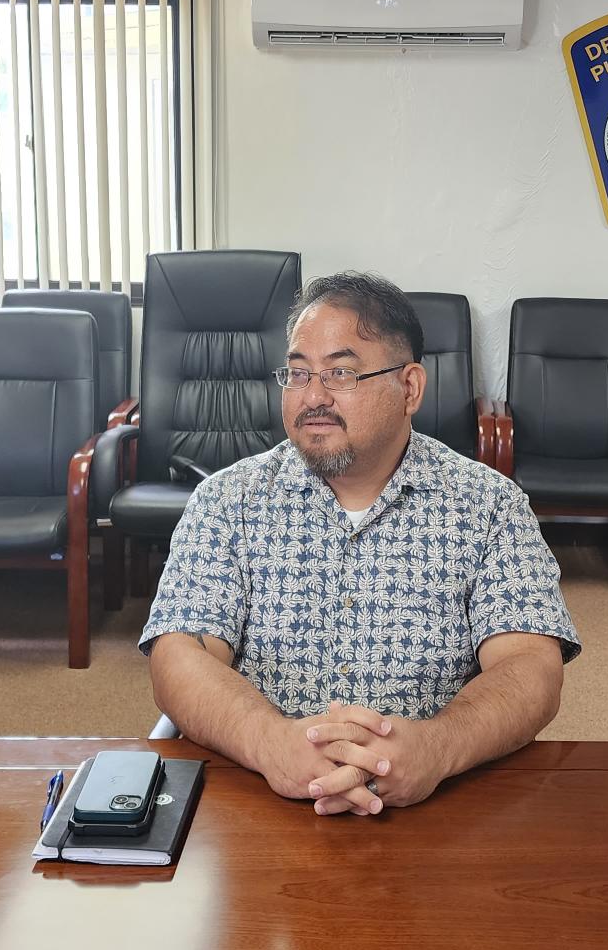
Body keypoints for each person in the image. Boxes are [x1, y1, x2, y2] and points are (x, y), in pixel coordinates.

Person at [143, 272, 578, 817]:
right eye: (298, 373)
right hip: (259, 800)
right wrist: (270, 742)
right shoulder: (229, 501)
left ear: (410, 388)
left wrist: (438, 747)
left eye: (341, 373)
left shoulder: (489, 505)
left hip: (440, 805)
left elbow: (531, 667)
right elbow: (179, 655)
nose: (313, 397)